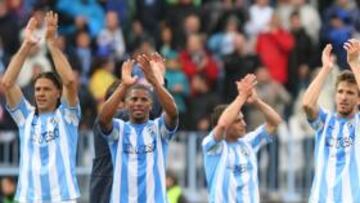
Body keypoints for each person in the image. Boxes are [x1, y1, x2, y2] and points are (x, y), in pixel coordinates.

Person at [0, 11, 80, 202]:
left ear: (58, 93)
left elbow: (69, 80)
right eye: (37, 89)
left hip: (63, 198)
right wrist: (27, 45)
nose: (40, 93)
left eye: (46, 89)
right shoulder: (25, 116)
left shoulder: (68, 116)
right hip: (29, 198)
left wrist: (51, 44)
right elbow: (7, 83)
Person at [97, 53, 178, 202]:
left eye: (144, 99)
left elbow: (173, 114)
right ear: (127, 104)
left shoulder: (158, 128)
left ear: (151, 105)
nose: (138, 103)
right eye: (134, 99)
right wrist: (124, 85)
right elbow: (102, 120)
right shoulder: (119, 130)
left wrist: (156, 83)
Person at [202, 74, 282, 202]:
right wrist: (242, 96)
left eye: (243, 119)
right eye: (238, 121)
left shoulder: (248, 142)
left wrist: (257, 101)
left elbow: (275, 122)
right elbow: (222, 124)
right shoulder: (212, 146)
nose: (244, 124)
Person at [302, 39, 360, 202]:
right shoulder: (325, 121)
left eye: (350, 93)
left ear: (358, 99)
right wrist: (326, 69)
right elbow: (307, 104)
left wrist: (354, 63)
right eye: (340, 91)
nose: (343, 97)